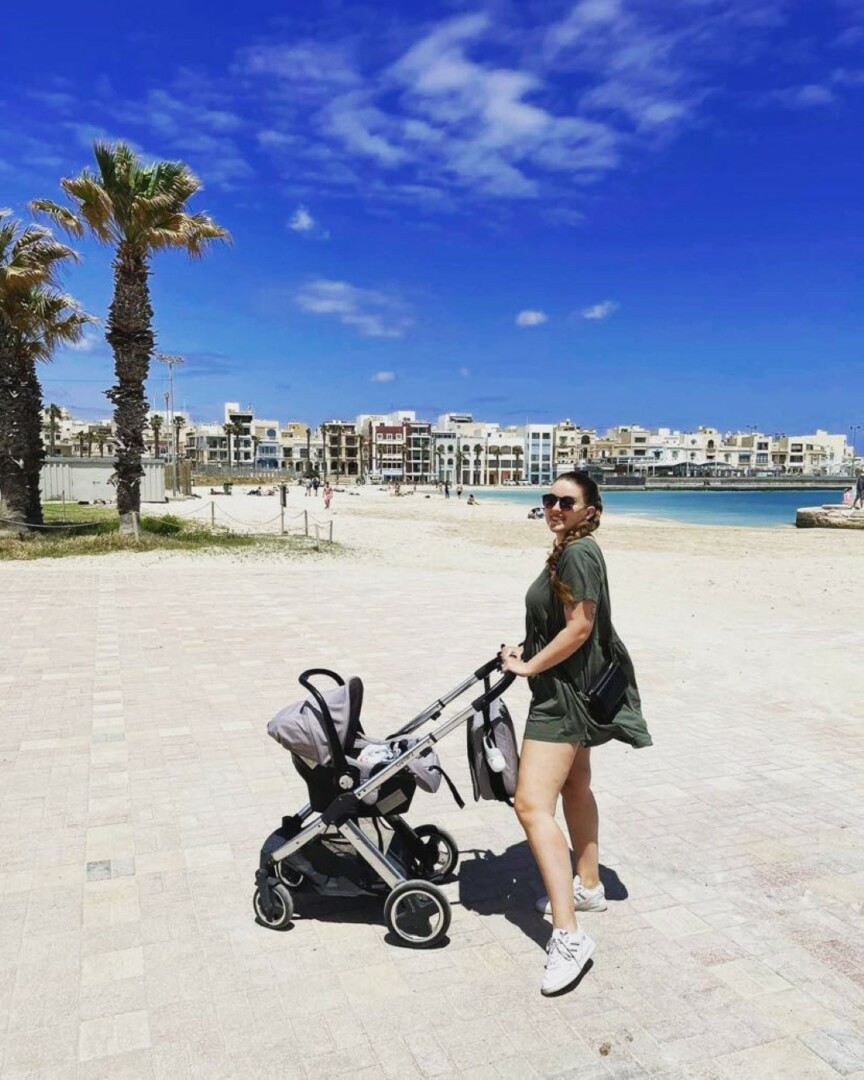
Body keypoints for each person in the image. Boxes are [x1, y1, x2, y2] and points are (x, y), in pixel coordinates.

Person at [500, 470, 652, 997]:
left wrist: (528, 667)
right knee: (575, 785)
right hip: (571, 689)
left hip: (562, 700)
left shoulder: (579, 553)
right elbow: (561, 624)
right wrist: (525, 649)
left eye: (567, 502)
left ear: (590, 510)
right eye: (550, 499)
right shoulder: (571, 549)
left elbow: (581, 627)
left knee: (530, 805)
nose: (555, 507)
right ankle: (587, 885)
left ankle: (568, 936)